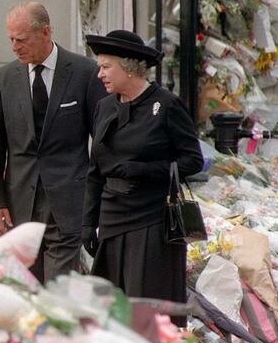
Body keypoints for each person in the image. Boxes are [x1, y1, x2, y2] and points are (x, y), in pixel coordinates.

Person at [0, 2, 106, 281]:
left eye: (21, 39)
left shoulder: (84, 72)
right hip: (19, 204)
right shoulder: (1, 80)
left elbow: (101, 141)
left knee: (57, 290)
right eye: (11, 39)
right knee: (24, 289)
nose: (14, 47)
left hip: (68, 202)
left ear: (45, 32)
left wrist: (96, 198)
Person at [82, 29, 203, 312]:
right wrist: (88, 222)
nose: (100, 74)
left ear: (130, 67)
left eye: (106, 67)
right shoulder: (104, 107)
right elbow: (95, 170)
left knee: (147, 309)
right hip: (112, 219)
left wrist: (143, 169)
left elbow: (193, 160)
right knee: (110, 310)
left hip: (151, 221)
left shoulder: (167, 105)